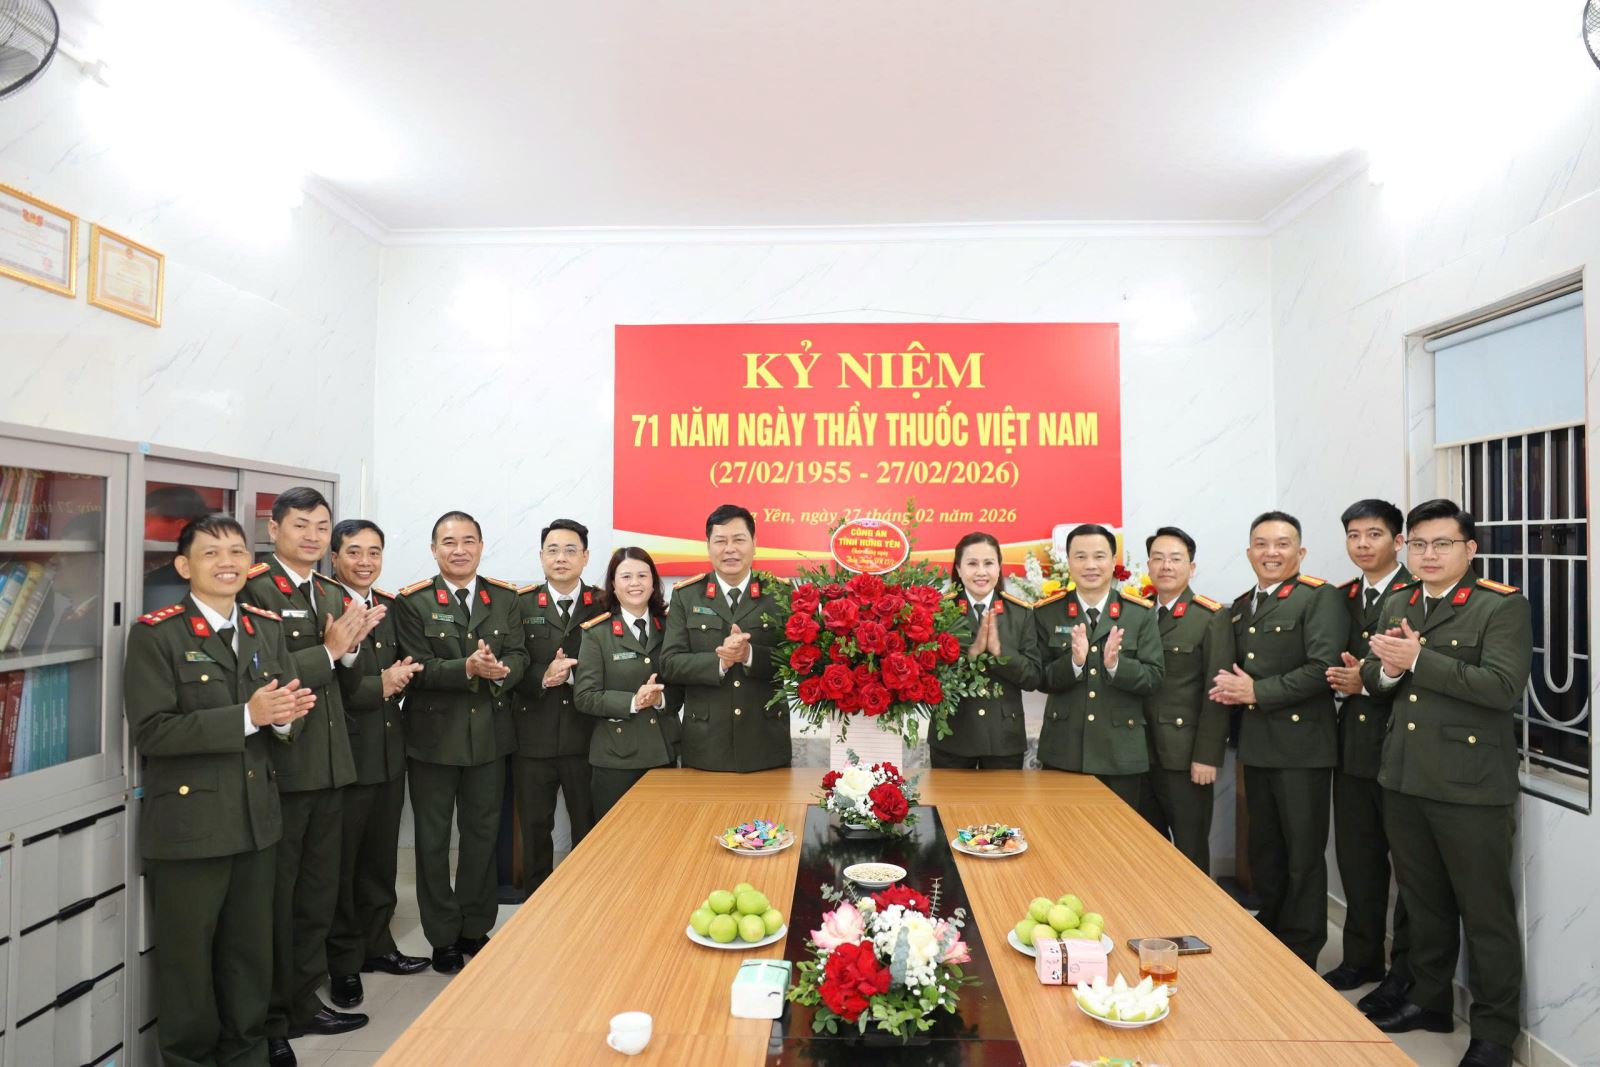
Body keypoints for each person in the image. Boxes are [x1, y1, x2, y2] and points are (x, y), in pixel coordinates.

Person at [124, 514, 315, 1067]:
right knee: (189, 965)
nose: (226, 562)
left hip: (257, 820)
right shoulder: (157, 634)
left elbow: (282, 716)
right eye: (211, 553)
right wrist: (249, 718)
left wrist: (283, 720)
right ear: (184, 567)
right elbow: (152, 732)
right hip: (191, 829)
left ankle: (247, 1055)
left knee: (249, 956)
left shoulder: (264, 627)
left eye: (236, 552)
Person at [1360, 499, 1531, 1067]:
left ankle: (1494, 1035)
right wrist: (1387, 670)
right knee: (1423, 905)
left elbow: (1501, 688)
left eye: (1442, 544)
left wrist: (1416, 660)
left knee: (1486, 915)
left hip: (1470, 786)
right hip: (1405, 776)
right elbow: (1374, 677)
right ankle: (1429, 1001)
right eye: (1418, 545)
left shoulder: (1499, 606)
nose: (1428, 555)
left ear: (1469, 549)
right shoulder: (1400, 601)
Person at [239, 487, 380, 1059]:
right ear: (274, 529)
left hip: (331, 764)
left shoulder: (330, 591)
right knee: (277, 899)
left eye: (322, 526)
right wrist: (328, 651)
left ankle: (303, 999)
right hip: (283, 766)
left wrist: (349, 650)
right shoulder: (252, 587)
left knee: (318, 895)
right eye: (301, 525)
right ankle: (273, 1018)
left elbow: (349, 683)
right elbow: (258, 673)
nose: (313, 536)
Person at [393, 511, 528, 974]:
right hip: (433, 741)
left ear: (481, 546)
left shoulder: (504, 598)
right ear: (434, 550)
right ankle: (442, 935)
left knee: (481, 836)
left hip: (489, 738)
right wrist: (466, 669)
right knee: (432, 842)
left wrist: (502, 671)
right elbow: (414, 668)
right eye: (448, 542)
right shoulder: (412, 602)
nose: (459, 550)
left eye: (468, 541)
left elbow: (519, 654)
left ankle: (475, 925)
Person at [1210, 510, 1342, 968]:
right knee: (1265, 850)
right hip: (1258, 745)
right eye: (1262, 544)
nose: (1271, 552)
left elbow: (1323, 669)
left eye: (1282, 544)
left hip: (1302, 749)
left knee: (1302, 855)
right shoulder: (1242, 604)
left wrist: (1256, 692)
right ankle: (1272, 933)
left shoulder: (1318, 598)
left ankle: (1302, 950)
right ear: (1249, 552)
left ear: (1300, 551)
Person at [325, 519, 429, 1011]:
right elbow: (324, 685)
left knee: (380, 859)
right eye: (354, 551)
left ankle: (378, 944)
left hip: (388, 751)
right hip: (345, 755)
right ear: (334, 557)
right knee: (343, 865)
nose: (365, 561)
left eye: (374, 552)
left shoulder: (388, 606)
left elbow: (406, 665)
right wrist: (379, 686)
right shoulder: (325, 605)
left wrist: (405, 675)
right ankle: (343, 962)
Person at [1322, 500, 1414, 1002]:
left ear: (1397, 541)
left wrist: (1367, 682)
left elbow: (1423, 671)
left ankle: (1406, 975)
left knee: (1411, 873)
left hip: (1404, 750)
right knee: (1358, 862)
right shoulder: (1342, 596)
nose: (1362, 544)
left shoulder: (1417, 592)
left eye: (1374, 534)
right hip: (1354, 748)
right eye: (1354, 535)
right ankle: (1361, 958)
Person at [1034, 523, 1163, 805]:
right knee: (1062, 829)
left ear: (1114, 561)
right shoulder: (1047, 613)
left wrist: (1116, 666)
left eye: (1099, 556)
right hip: (1064, 751)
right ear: (1068, 562)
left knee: (1118, 831)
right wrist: (1074, 663)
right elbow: (1039, 677)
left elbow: (1153, 677)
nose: (1090, 565)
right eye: (1080, 557)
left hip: (1121, 754)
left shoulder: (1139, 613)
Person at [512, 519, 604, 895]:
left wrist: (574, 677)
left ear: (585, 556)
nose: (561, 558)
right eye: (552, 550)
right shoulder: (519, 604)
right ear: (541, 556)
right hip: (532, 736)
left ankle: (587, 899)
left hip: (588, 735)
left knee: (589, 825)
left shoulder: (604, 602)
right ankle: (537, 904)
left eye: (570, 550)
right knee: (534, 828)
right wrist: (542, 676)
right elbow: (510, 663)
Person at [660, 504, 787, 772]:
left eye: (739, 539)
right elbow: (670, 663)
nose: (730, 549)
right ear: (708, 546)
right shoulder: (686, 595)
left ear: (755, 543)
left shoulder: (779, 594)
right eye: (720, 541)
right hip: (706, 744)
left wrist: (749, 655)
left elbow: (797, 661)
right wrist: (721, 662)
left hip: (765, 742)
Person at [1137, 526, 1232, 873]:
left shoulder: (1209, 617)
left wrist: (1207, 756)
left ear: (1191, 567)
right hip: (1139, 755)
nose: (1166, 566)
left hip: (1185, 757)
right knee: (1145, 850)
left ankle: (1194, 911)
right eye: (1158, 558)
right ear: (1148, 566)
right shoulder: (1137, 613)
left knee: (1190, 852)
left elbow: (1217, 692)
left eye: (1175, 559)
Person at [574, 547, 684, 819]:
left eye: (642, 575)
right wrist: (633, 702)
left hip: (664, 752)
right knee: (616, 839)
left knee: (664, 836)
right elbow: (585, 696)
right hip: (616, 759)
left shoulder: (671, 627)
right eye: (626, 576)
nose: (635, 583)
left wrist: (660, 699)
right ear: (613, 584)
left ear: (653, 582)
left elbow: (684, 685)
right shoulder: (597, 633)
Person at [927, 531, 1040, 769]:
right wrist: (970, 656)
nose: (981, 571)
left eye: (988, 563)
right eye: (972, 564)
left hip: (1004, 738)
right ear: (958, 569)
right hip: (952, 735)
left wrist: (1000, 653)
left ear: (999, 567)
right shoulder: (938, 611)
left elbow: (1033, 678)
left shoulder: (1021, 613)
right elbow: (927, 675)